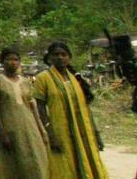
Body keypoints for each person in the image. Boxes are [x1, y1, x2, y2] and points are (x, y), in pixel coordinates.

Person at [33, 41, 108, 179]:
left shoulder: (75, 78)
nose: (60, 58)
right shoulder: (43, 78)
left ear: (69, 57)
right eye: (56, 55)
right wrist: (50, 134)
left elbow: (86, 108)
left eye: (63, 54)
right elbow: (40, 108)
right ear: (49, 58)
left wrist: (96, 133)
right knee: (64, 167)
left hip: (84, 131)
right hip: (61, 132)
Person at [0, 47, 47, 179]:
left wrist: (42, 130)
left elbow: (33, 108)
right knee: (14, 165)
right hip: (11, 129)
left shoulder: (26, 82)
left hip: (30, 127)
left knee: (36, 162)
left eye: (16, 59)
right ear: (2, 62)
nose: (13, 63)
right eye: (9, 59)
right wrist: (3, 133)